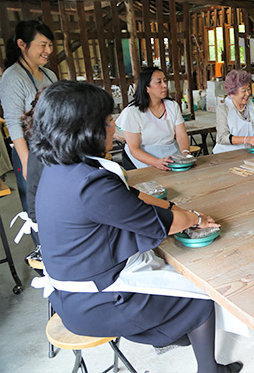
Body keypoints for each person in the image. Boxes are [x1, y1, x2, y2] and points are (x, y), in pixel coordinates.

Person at [30, 81, 242, 373]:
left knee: (167, 276)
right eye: (106, 121)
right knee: (201, 298)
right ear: (85, 129)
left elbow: (132, 196)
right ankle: (209, 369)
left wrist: (175, 208)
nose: (113, 126)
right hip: (96, 302)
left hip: (69, 295)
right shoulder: (91, 185)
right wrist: (193, 218)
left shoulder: (61, 168)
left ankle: (173, 333)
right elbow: (163, 223)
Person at [0, 19, 56, 213]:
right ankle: (40, 244)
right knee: (37, 206)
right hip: (29, 150)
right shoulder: (13, 77)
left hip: (52, 147)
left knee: (55, 201)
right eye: (43, 45)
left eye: (50, 45)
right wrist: (26, 163)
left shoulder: (49, 75)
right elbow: (13, 123)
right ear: (22, 44)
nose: (48, 50)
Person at [116, 67, 190, 170]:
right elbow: (134, 149)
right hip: (142, 158)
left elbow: (181, 136)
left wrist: (185, 154)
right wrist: (156, 162)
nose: (164, 85)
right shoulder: (132, 112)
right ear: (147, 88)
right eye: (159, 82)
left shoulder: (172, 106)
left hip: (169, 153)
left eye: (165, 81)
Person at [213, 70, 254, 154]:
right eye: (243, 90)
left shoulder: (251, 106)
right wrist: (247, 139)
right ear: (232, 93)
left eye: (248, 89)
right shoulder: (223, 109)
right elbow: (222, 137)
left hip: (247, 151)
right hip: (225, 154)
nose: (248, 93)